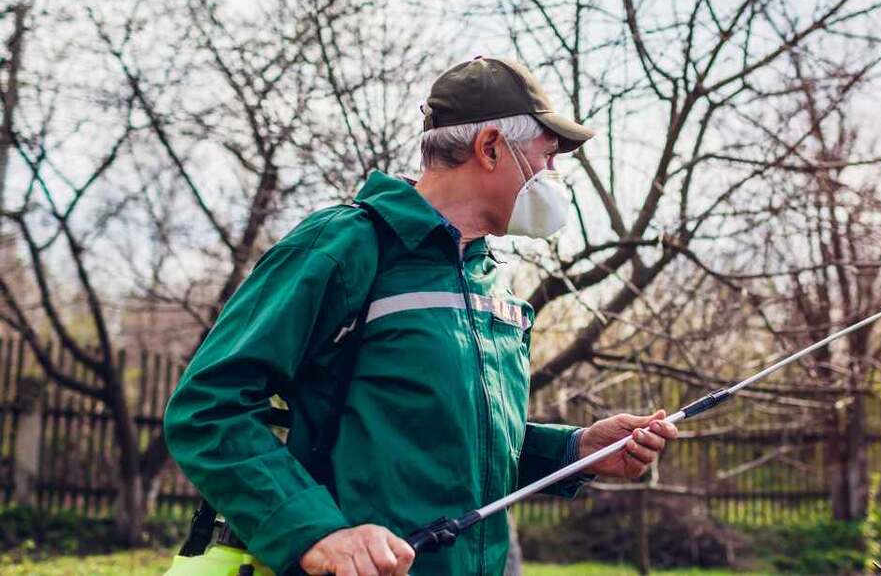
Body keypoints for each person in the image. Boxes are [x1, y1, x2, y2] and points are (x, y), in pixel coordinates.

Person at [163, 56, 679, 576]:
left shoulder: (490, 280)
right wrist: (316, 533)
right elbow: (209, 407)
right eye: (547, 156)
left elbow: (443, 443)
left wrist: (575, 450)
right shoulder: (342, 247)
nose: (553, 176)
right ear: (491, 147)